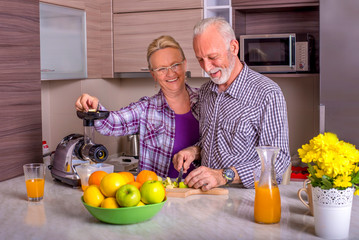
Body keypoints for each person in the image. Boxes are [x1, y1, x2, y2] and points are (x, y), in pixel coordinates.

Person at [173, 17, 291, 190]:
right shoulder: (206, 92)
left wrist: (223, 176)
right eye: (200, 59)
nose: (206, 67)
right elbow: (216, 143)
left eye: (213, 57)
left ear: (234, 48)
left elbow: (278, 162)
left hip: (248, 201)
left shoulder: (267, 93)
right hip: (208, 198)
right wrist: (194, 151)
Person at [75, 35, 199, 178]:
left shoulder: (206, 101)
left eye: (175, 65)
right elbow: (111, 123)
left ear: (185, 64)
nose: (170, 73)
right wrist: (93, 107)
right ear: (153, 74)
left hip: (201, 195)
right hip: (158, 197)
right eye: (161, 69)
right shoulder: (145, 109)